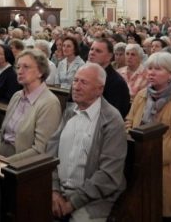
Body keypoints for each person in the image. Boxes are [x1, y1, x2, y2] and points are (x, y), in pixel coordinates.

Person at [46, 63, 127, 221]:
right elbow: (51, 152)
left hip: (93, 199)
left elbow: (108, 174)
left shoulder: (111, 120)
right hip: (59, 191)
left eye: (84, 82)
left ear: (99, 89)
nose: (76, 87)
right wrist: (54, 190)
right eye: (75, 80)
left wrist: (72, 203)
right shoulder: (70, 111)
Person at [125, 51, 171, 218]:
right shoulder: (142, 94)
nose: (151, 72)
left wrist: (152, 158)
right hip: (140, 153)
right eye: (149, 68)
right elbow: (129, 121)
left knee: (160, 187)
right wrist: (135, 148)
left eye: (158, 69)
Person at [0, 49, 62, 162]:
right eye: (18, 67)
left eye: (26, 67)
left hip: (22, 166)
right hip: (0, 155)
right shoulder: (17, 96)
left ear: (40, 72)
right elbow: (2, 133)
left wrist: (6, 163)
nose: (20, 71)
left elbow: (40, 150)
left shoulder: (49, 103)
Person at [87, 38, 131, 117]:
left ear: (109, 56)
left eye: (98, 51)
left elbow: (114, 116)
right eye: (91, 49)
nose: (92, 53)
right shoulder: (82, 75)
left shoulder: (117, 83)